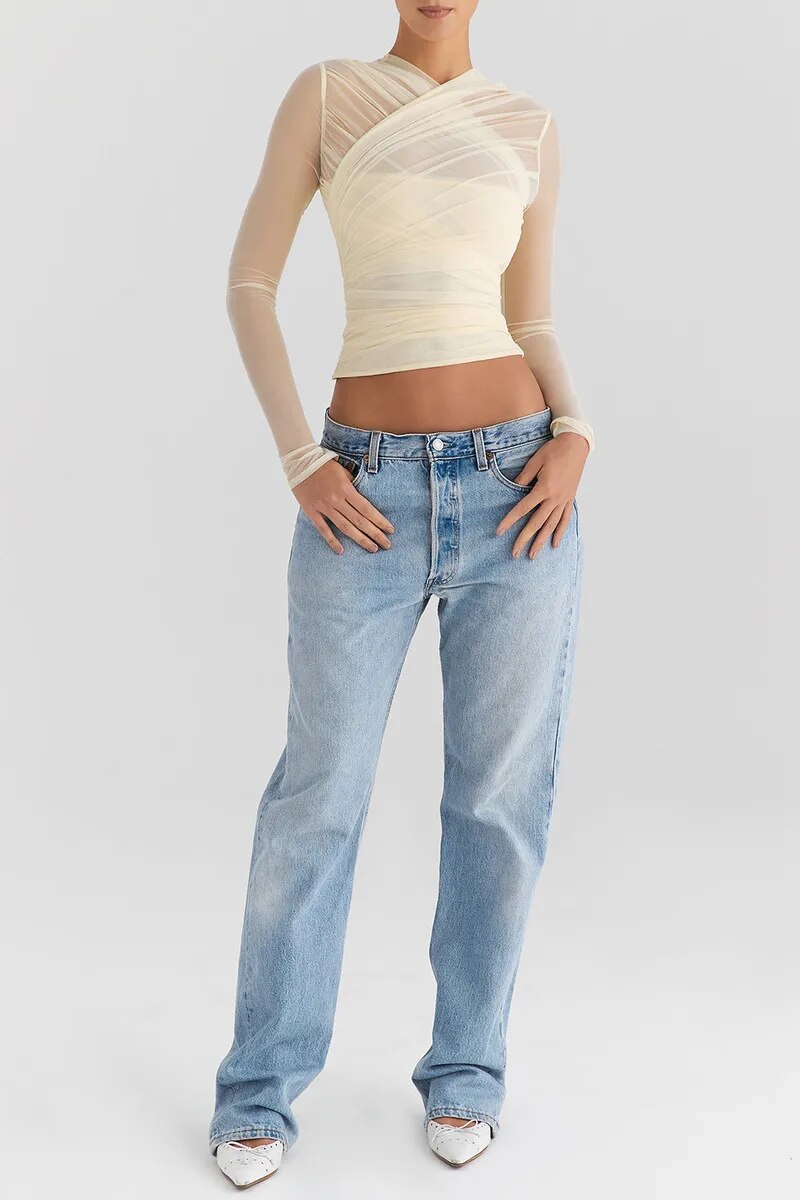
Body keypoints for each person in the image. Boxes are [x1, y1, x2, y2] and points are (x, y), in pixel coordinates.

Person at [209, 0, 593, 1183]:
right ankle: (257, 1090)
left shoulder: (526, 125)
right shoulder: (327, 93)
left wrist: (576, 429)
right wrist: (300, 458)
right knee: (315, 796)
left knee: (496, 803)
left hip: (517, 486)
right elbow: (249, 285)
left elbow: (528, 316)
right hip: (360, 492)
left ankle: (466, 1073)